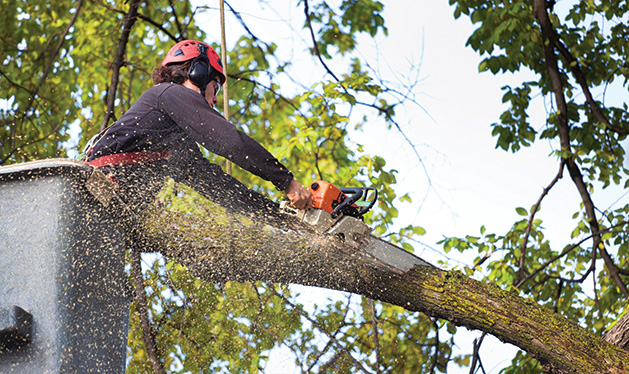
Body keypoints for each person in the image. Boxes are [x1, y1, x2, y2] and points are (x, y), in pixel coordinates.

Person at [85, 39, 312, 220]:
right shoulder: (169, 93)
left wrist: (280, 217)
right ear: (198, 73)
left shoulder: (176, 144)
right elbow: (230, 142)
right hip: (94, 193)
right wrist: (287, 181)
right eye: (216, 86)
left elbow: (219, 187)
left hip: (107, 212)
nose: (214, 99)